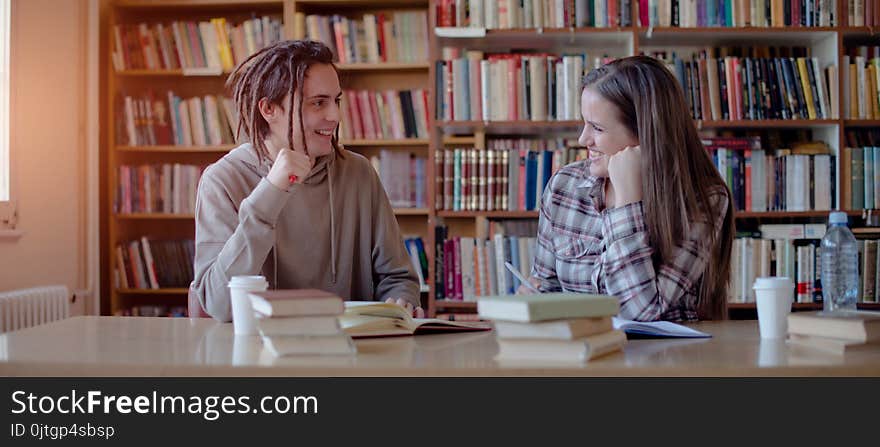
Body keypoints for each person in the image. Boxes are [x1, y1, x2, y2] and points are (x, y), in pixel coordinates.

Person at [192, 40, 423, 322]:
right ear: (269, 109)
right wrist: (271, 194)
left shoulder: (359, 174)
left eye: (335, 101)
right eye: (318, 103)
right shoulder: (222, 180)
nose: (335, 116)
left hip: (350, 355)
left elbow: (398, 278)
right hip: (257, 357)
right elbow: (219, 304)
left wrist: (401, 302)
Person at [519, 55, 734, 322]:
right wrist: (528, 301)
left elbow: (640, 311)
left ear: (645, 134)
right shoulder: (564, 188)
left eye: (597, 128)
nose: (583, 139)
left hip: (664, 359)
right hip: (580, 354)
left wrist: (628, 203)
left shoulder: (703, 198)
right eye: (584, 124)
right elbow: (546, 288)